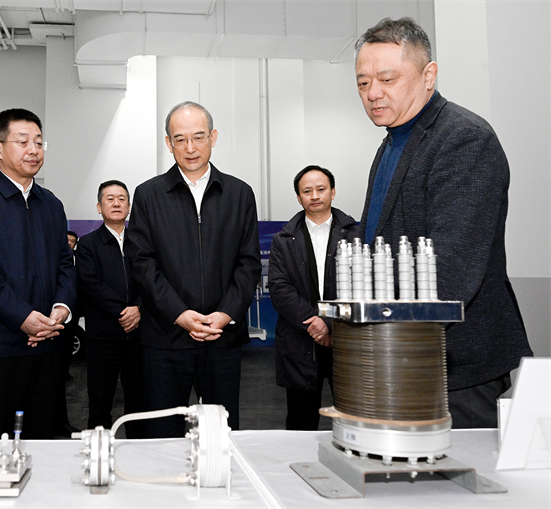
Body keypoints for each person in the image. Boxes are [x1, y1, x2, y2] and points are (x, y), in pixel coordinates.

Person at [354, 17, 532, 428]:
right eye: (363, 83)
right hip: (400, 359)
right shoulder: (391, 144)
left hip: (456, 367)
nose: (373, 93)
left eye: (387, 79)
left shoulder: (464, 138)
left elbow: (451, 270)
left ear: (428, 75)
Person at [125, 101, 261, 438]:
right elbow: (141, 262)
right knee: (161, 434)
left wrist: (225, 314)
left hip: (221, 338)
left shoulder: (239, 194)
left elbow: (248, 263)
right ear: (168, 143)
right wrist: (179, 314)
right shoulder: (148, 195)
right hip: (165, 339)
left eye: (198, 137)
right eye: (180, 139)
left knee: (220, 435)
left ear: (213, 137)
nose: (190, 148)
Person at [0, 108, 76, 439]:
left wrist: (61, 308)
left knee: (42, 439)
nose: (33, 150)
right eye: (23, 142)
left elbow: (65, 263)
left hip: (47, 346)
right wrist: (23, 317)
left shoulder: (51, 204)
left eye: (38, 142)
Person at [269, 166, 358, 430]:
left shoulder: (357, 235)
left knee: (353, 419)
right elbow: (279, 288)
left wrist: (329, 323)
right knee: (301, 421)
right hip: (300, 337)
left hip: (346, 336)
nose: (315, 196)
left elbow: (361, 286)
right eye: (307, 191)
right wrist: (315, 323)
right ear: (299, 198)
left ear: (333, 192)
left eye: (321, 189)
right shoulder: (283, 239)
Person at [77, 180, 143, 437]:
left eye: (121, 199)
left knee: (139, 400)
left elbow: (152, 280)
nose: (116, 203)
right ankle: (98, 451)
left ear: (129, 206)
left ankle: (137, 448)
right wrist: (124, 311)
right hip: (102, 336)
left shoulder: (142, 242)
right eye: (110, 199)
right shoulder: (88, 244)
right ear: (99, 207)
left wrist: (139, 308)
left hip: (139, 336)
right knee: (100, 399)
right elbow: (90, 284)